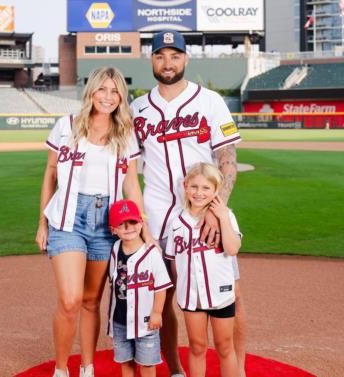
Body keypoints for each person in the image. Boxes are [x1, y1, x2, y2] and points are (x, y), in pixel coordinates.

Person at [130, 30, 247, 377]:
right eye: (161, 56)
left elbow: (228, 159)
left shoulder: (209, 100)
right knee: (162, 298)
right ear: (151, 60)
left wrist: (217, 210)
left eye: (175, 55)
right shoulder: (138, 108)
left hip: (202, 213)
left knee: (232, 294)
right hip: (156, 215)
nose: (168, 63)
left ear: (186, 59)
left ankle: (238, 368)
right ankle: (177, 369)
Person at [35, 67, 151, 377]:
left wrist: (143, 230)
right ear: (91, 91)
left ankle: (87, 367)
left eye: (115, 92)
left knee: (91, 300)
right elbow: (50, 174)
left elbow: (131, 185)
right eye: (103, 90)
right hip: (69, 219)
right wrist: (42, 222)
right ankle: (61, 369)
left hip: (107, 222)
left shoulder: (125, 133)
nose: (108, 97)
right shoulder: (66, 126)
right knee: (71, 300)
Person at [165, 163, 242, 377]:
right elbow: (174, 262)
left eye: (206, 188)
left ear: (216, 191)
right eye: (195, 187)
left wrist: (223, 217)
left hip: (221, 293)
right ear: (186, 186)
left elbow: (233, 248)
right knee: (197, 346)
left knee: (224, 346)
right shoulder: (176, 223)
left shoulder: (224, 217)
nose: (199, 193)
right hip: (191, 296)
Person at [107, 199, 173, 377]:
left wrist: (157, 313)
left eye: (133, 222)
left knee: (147, 363)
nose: (128, 227)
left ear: (141, 224)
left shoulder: (152, 253)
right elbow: (113, 282)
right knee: (125, 361)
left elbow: (161, 287)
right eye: (121, 224)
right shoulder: (115, 249)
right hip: (120, 320)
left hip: (145, 322)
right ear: (113, 229)